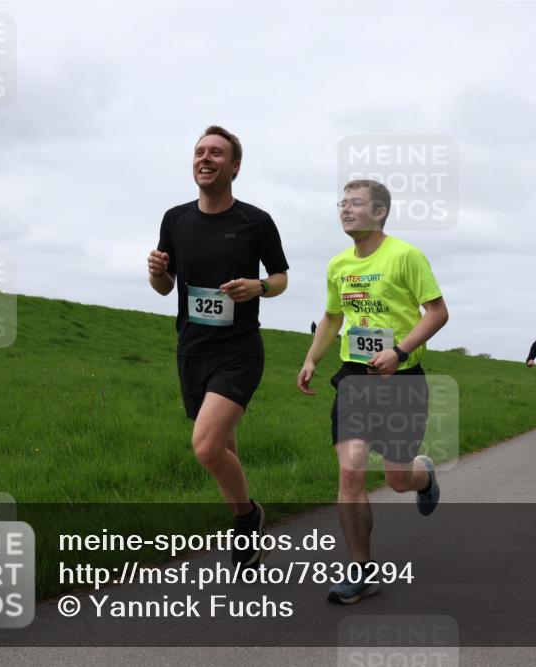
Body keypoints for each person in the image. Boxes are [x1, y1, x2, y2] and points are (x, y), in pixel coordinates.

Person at [297, 179, 449, 604]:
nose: (345, 210)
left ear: (380, 212)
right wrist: (312, 358)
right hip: (354, 378)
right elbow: (331, 317)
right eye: (342, 203)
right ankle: (360, 570)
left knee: (397, 479)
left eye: (356, 203)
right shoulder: (338, 265)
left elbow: (437, 312)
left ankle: (423, 476)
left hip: (401, 378)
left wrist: (400, 351)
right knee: (350, 472)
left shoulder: (405, 255)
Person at [147, 126, 289, 570]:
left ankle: (247, 518)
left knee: (206, 447)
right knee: (226, 448)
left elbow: (282, 277)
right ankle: (246, 528)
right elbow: (165, 288)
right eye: (198, 152)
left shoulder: (255, 222)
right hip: (191, 350)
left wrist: (259, 286)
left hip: (239, 351)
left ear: (234, 166)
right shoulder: (175, 219)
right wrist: (154, 271)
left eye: (215, 153)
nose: (204, 159)